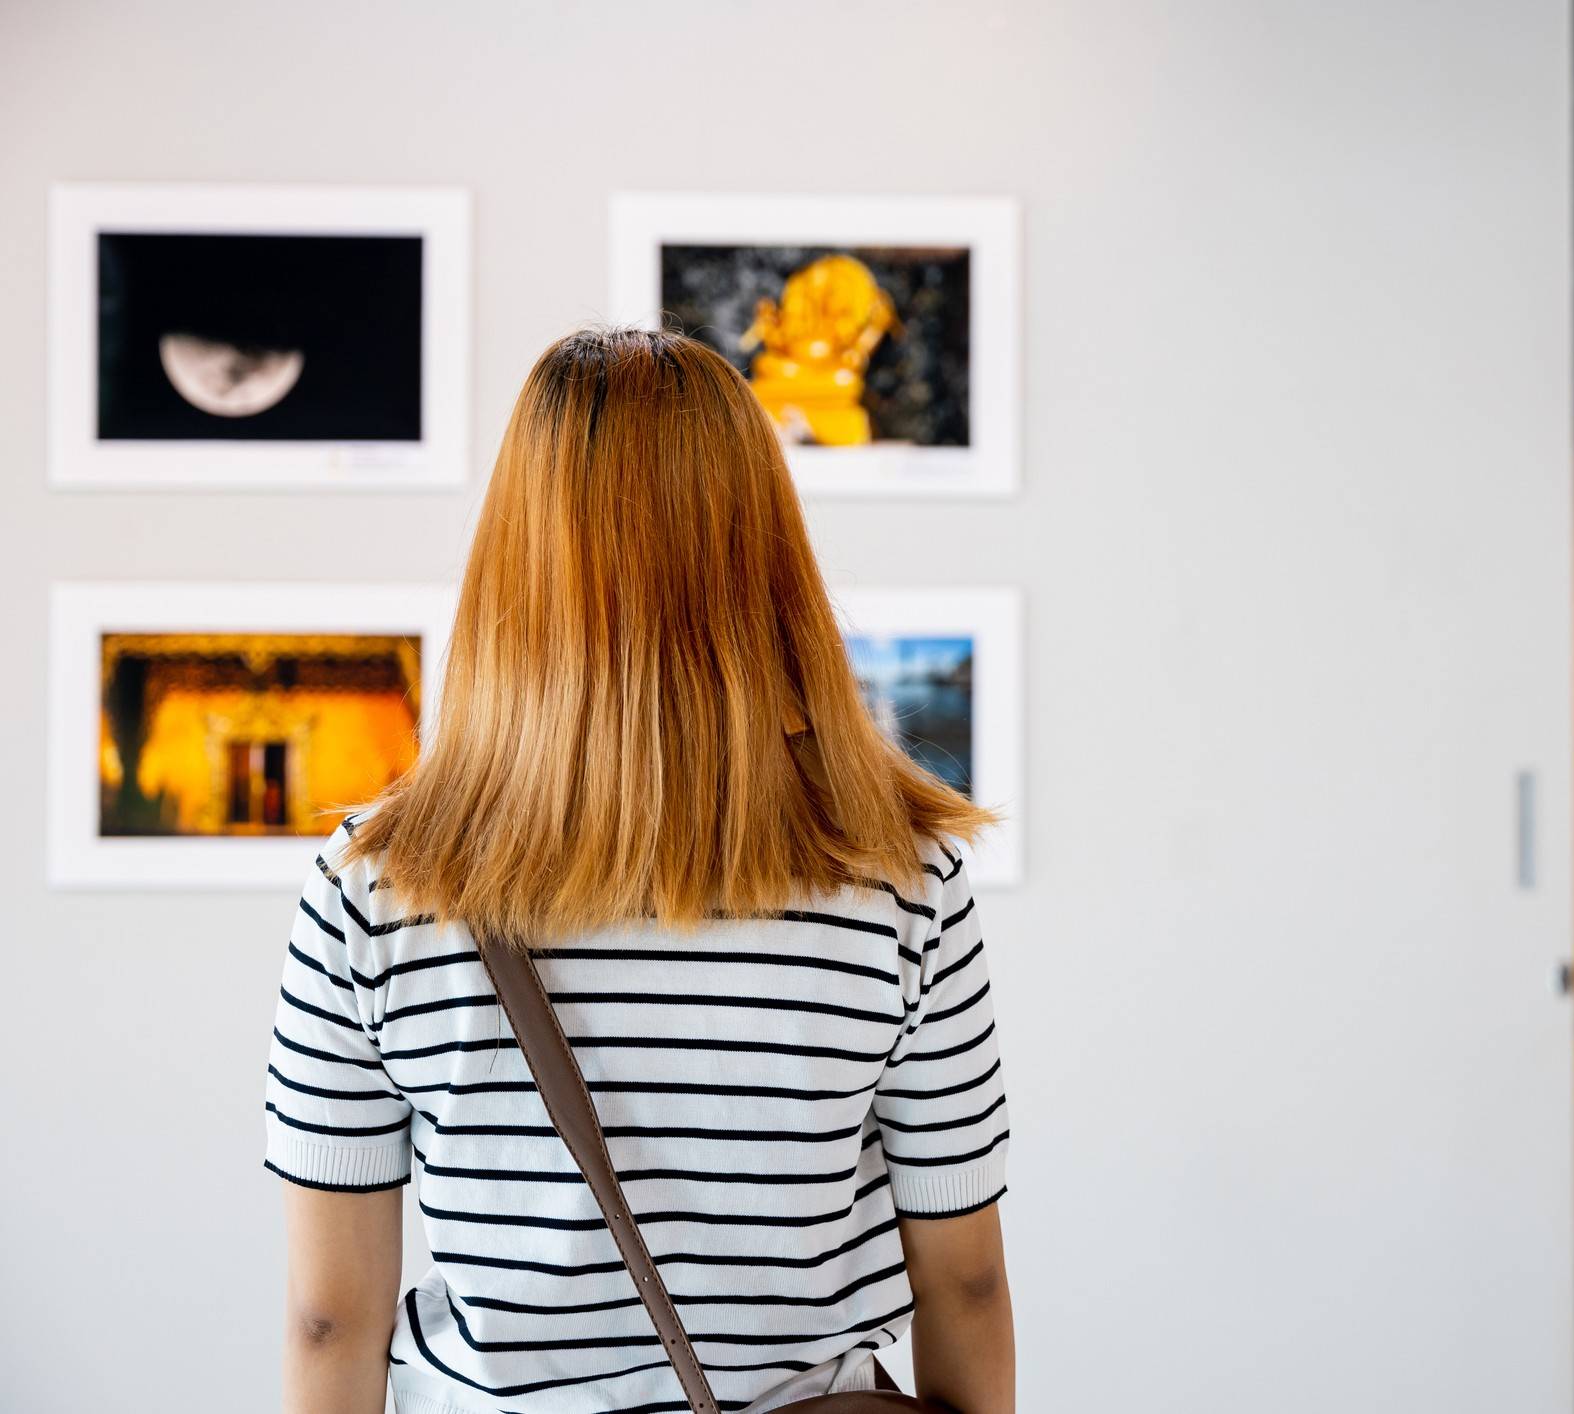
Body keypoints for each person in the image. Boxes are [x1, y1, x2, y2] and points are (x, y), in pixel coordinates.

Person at [262, 328, 1015, 1414]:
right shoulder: (899, 876)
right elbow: (968, 1283)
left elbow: (331, 1318)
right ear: (765, 547)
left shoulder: (379, 885)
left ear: (515, 556)